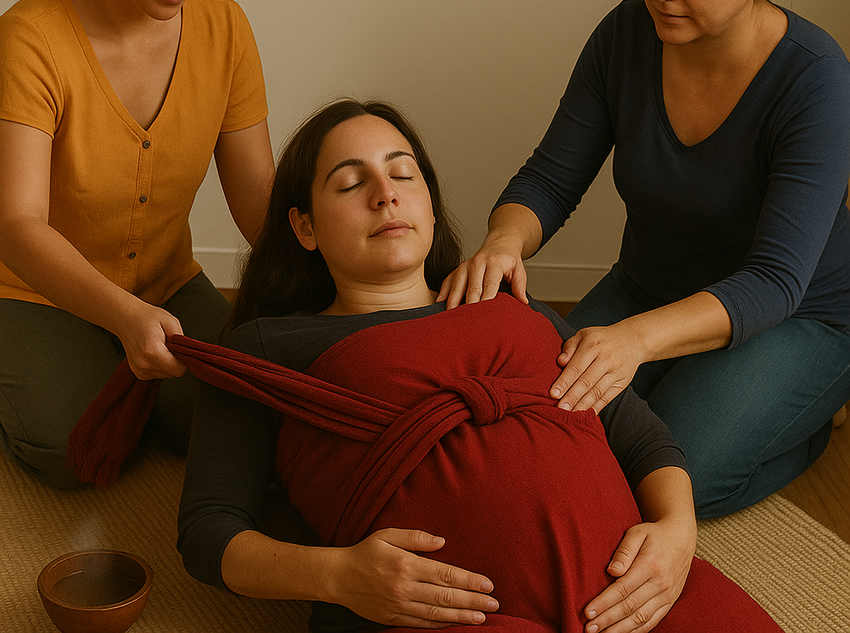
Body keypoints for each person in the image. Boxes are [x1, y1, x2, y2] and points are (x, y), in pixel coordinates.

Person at [177, 99, 782, 633]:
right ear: (303, 227)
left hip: (631, 595)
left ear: (431, 207)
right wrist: (336, 575)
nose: (384, 193)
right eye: (348, 183)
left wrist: (677, 533)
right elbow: (209, 530)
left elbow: (640, 436)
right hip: (450, 620)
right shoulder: (264, 350)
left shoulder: (514, 310)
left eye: (402, 173)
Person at [437, 0, 850, 518]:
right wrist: (504, 243)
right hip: (648, 287)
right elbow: (549, 177)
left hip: (795, 316)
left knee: (667, 475)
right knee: (540, 435)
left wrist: (635, 343)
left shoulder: (817, 80)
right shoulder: (625, 36)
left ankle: (811, 419)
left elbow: (776, 281)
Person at [0, 0, 274, 489]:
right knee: (69, 452)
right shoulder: (28, 39)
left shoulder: (226, 28)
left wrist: (343, 296)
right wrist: (124, 319)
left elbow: (258, 201)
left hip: (166, 283)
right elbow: (18, 225)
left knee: (248, 427)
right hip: (34, 290)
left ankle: (126, 375)